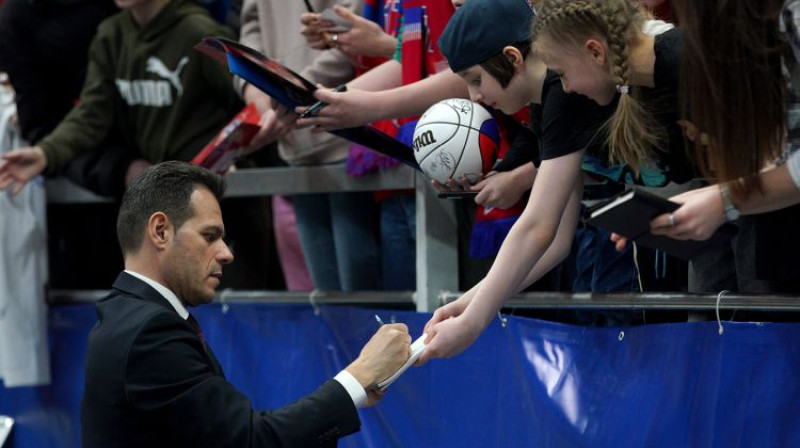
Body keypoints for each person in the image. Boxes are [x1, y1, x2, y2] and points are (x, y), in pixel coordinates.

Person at [417, 0, 697, 363]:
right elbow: (555, 244)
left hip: (728, 203)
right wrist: (470, 301)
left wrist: (473, 321)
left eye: (475, 80)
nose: (475, 97)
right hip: (710, 211)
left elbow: (538, 228)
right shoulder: (552, 101)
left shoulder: (565, 96)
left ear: (513, 58)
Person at [81, 161, 412, 447]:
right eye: (210, 236)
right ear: (160, 231)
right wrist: (358, 375)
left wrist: (353, 390)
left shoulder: (129, 317)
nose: (226, 253)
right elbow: (252, 441)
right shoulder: (149, 331)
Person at [0, 0, 242, 197]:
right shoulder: (110, 36)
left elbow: (247, 103)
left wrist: (231, 154)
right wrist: (46, 153)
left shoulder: (200, 33)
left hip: (214, 193)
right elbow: (92, 113)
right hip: (157, 196)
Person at [238, 0, 383, 292]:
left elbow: (353, 21)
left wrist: (291, 91)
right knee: (326, 301)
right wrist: (257, 91)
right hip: (295, 144)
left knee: (366, 298)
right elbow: (251, 26)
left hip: (350, 138)